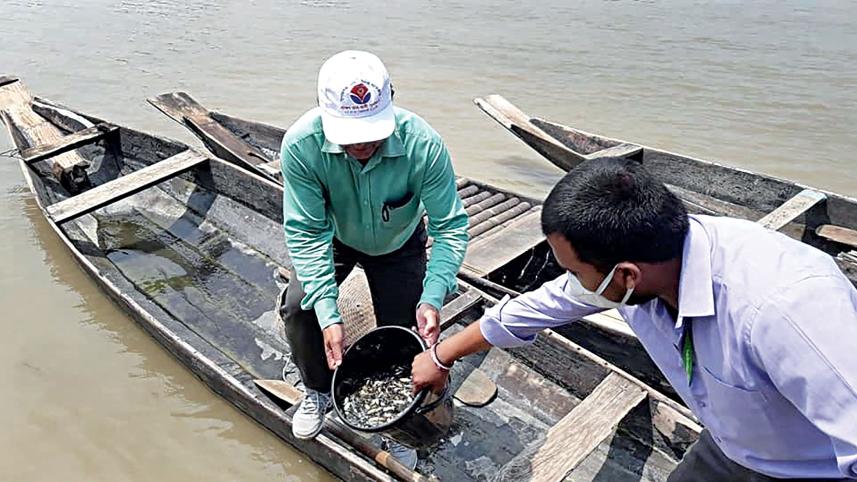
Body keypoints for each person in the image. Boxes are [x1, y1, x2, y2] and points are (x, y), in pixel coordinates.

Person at [413, 157, 857, 480]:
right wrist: (441, 355)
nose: (571, 283)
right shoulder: (644, 263)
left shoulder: (788, 310)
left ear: (626, 275)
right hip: (729, 445)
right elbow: (539, 307)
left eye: (574, 273)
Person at [278, 50, 468, 468]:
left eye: (370, 132)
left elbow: (450, 227)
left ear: (390, 104)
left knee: (403, 331)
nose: (361, 144)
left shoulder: (424, 145)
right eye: (349, 135)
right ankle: (317, 390)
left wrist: (434, 295)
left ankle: (395, 425)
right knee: (300, 308)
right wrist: (328, 313)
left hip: (400, 241)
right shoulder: (301, 145)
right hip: (335, 236)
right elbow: (306, 231)